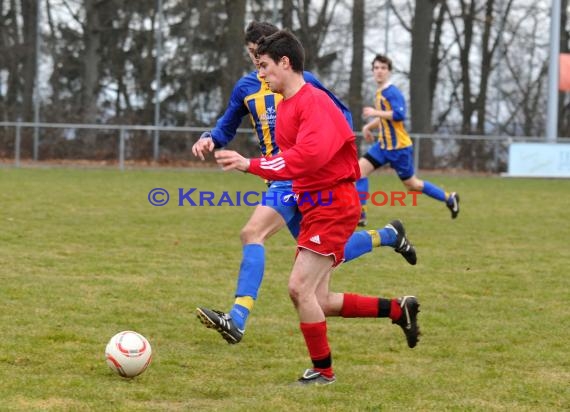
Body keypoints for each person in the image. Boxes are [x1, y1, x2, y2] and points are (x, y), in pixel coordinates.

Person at [212, 29, 420, 386]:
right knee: (319, 300)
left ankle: (323, 372)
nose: (260, 74)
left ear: (285, 62)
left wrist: (251, 164)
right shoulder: (288, 105)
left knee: (298, 289)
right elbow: (292, 162)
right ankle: (398, 309)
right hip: (315, 206)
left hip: (334, 205)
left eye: (264, 66)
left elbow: (304, 160)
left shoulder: (314, 102)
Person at [356, 54, 460, 226]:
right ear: (372, 71)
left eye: (383, 68)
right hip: (383, 146)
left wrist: (375, 113)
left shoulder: (392, 92)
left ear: (389, 71)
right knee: (358, 173)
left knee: (413, 185)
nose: (379, 71)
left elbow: (399, 115)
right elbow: (384, 118)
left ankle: (449, 198)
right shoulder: (380, 92)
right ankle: (361, 214)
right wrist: (369, 127)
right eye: (376, 68)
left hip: (399, 148)